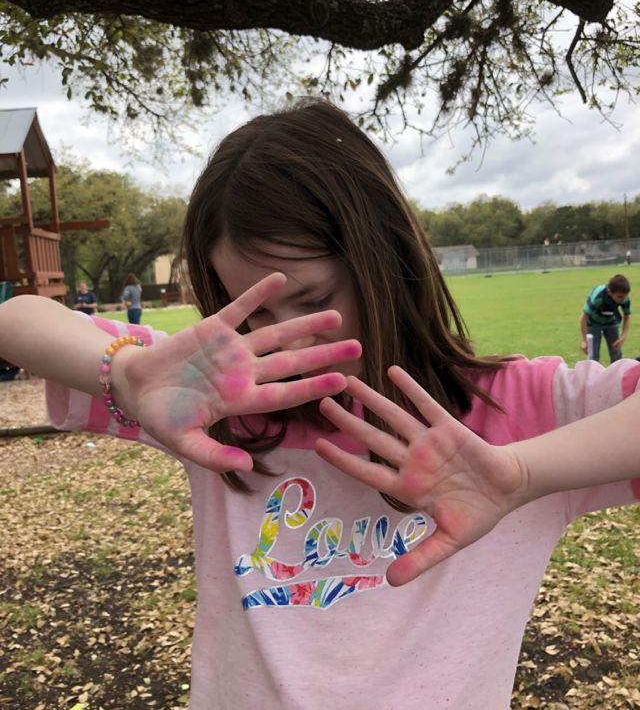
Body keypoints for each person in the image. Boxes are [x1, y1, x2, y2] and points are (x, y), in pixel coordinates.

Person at [0, 99, 638, 710]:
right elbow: (16, 320)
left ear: (384, 262)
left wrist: (521, 474)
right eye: (258, 313)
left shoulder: (520, 406)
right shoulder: (215, 406)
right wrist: (127, 374)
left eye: (312, 301)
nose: (289, 338)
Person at [580, 273, 631, 363]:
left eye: (625, 296)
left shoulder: (624, 298)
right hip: (593, 323)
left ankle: (616, 371)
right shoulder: (598, 298)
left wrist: (622, 337)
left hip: (611, 321)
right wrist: (584, 340)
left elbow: (627, 316)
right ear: (609, 292)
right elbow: (583, 318)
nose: (623, 299)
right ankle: (593, 371)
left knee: (616, 353)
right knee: (592, 355)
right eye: (620, 297)